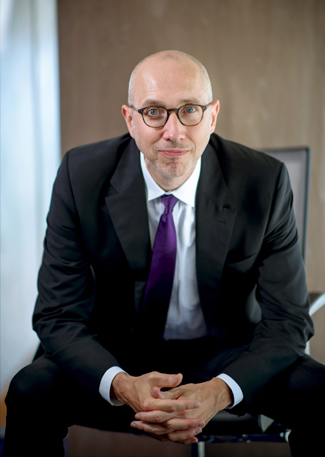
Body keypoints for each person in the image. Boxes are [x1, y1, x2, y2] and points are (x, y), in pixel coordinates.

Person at [4, 50, 325, 457]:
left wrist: (221, 391)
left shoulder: (264, 181)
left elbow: (288, 321)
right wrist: (121, 383)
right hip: (119, 352)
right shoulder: (79, 176)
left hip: (227, 353)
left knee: (320, 391)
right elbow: (56, 314)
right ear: (130, 119)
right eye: (154, 112)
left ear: (212, 116)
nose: (173, 132)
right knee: (31, 389)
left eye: (189, 110)